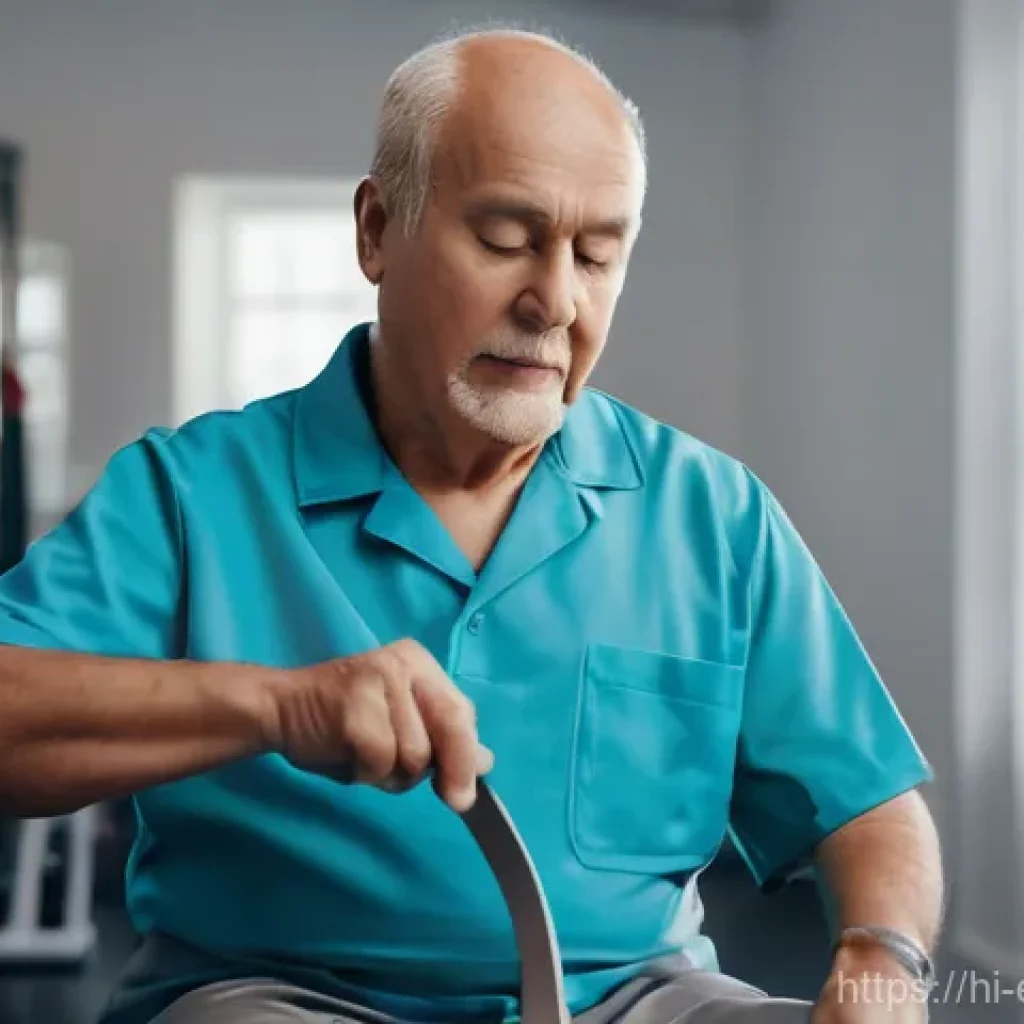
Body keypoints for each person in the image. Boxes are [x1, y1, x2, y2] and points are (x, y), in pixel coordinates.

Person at [0, 25, 942, 1024]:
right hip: (277, 999)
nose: (554, 300)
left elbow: (870, 807)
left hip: (640, 1001)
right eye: (505, 239)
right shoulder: (192, 492)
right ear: (375, 231)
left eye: (596, 254)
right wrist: (276, 707)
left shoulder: (714, 514)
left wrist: (880, 957)